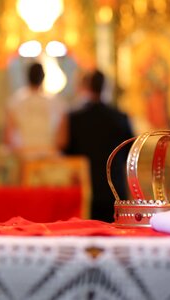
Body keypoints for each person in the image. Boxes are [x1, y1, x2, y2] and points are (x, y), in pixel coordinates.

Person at [56, 69, 134, 223]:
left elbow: (66, 151)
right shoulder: (120, 117)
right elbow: (130, 152)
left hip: (85, 191)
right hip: (115, 190)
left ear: (86, 87)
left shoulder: (74, 118)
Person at [4, 62, 65, 158]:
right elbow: (62, 139)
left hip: (25, 156)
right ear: (43, 77)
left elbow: (8, 137)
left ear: (27, 76)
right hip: (49, 156)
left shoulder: (15, 101)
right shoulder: (56, 102)